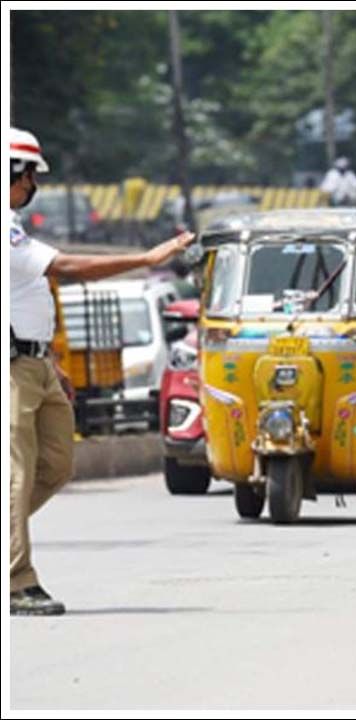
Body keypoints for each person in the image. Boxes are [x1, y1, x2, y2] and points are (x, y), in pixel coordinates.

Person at [9, 127, 195, 616]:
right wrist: (147, 258)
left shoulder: (14, 227)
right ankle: (16, 581)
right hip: (12, 369)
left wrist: (50, 361)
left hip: (36, 362)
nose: (31, 184)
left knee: (56, 465)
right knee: (16, 475)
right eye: (27, 174)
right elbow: (68, 267)